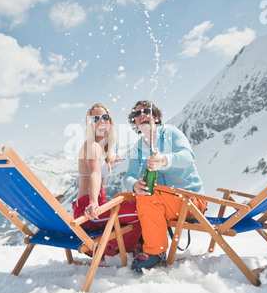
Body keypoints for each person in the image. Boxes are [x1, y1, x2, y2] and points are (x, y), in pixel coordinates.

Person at [124, 100, 207, 271]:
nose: (142, 115)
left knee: (147, 197)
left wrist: (165, 160)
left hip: (191, 201)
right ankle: (130, 245)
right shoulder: (137, 148)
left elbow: (188, 156)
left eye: (147, 111)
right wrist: (134, 184)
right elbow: (129, 176)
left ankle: (156, 253)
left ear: (155, 116)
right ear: (135, 121)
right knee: (127, 199)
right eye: (137, 113)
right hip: (165, 203)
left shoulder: (172, 133)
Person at [72, 103, 141, 256]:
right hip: (89, 211)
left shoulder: (98, 147)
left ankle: (114, 247)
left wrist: (109, 164)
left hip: (95, 208)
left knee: (138, 205)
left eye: (105, 117)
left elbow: (97, 169)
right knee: (141, 209)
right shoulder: (92, 146)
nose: (102, 121)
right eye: (96, 118)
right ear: (90, 123)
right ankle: (121, 251)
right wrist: (93, 202)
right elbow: (94, 174)